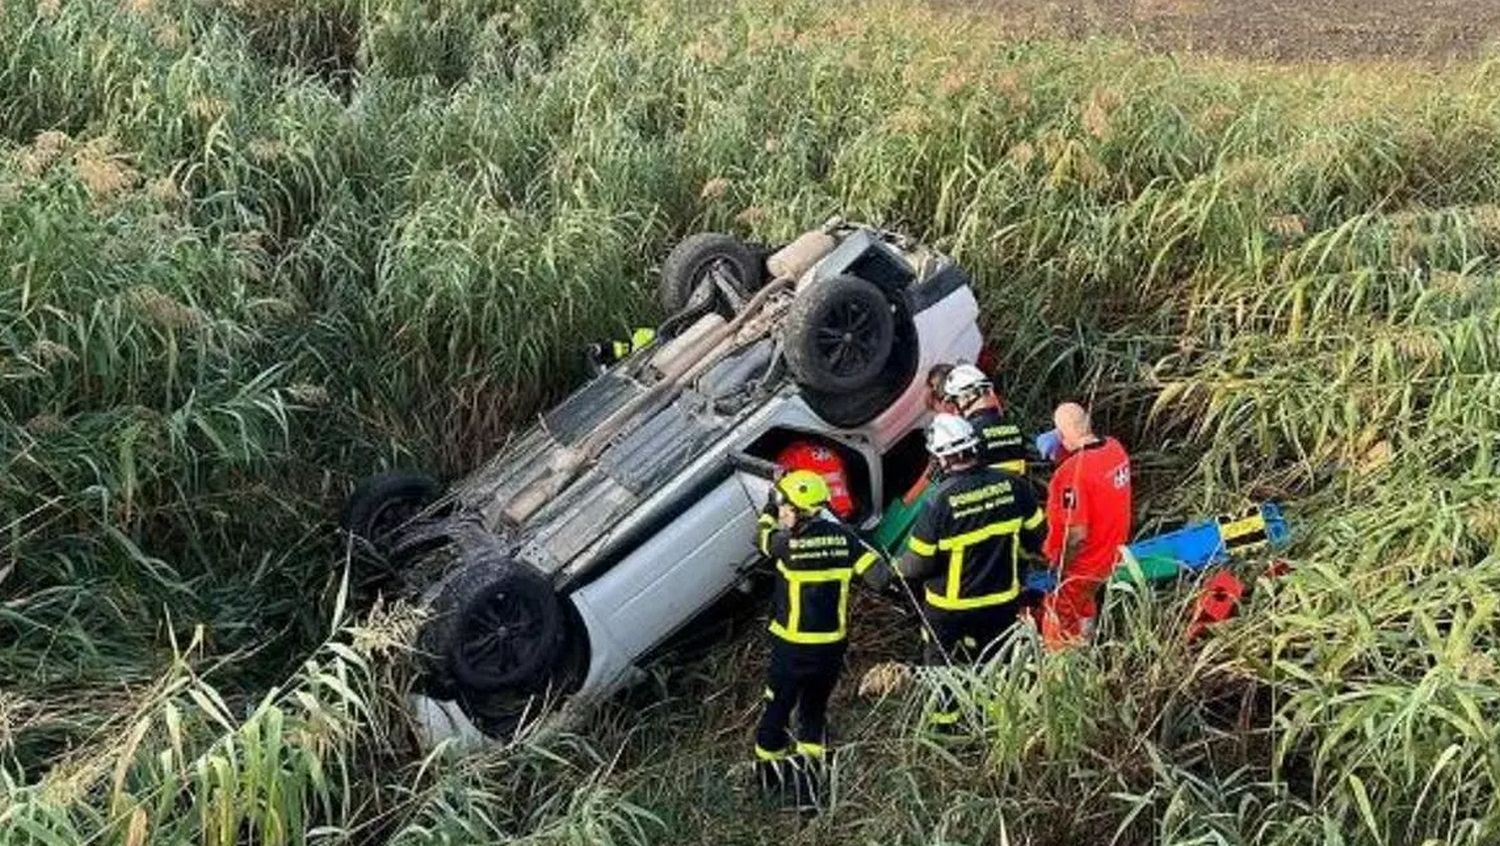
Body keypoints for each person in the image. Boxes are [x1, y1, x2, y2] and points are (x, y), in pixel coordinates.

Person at [863, 414, 1045, 727]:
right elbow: (1037, 538)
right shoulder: (1015, 486)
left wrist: (894, 568)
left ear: (941, 458)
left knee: (941, 669)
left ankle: (946, 725)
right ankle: (996, 721)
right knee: (996, 662)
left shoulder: (938, 503)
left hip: (950, 608)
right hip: (1003, 600)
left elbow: (918, 564)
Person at [753, 470, 880, 798]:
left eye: (785, 506)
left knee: (777, 712)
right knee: (813, 715)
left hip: (791, 649)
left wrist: (769, 506)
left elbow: (762, 536)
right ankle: (808, 794)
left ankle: (769, 785)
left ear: (798, 511)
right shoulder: (845, 540)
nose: (782, 511)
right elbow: (880, 578)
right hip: (830, 650)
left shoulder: (786, 544)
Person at [1040, 402, 1132, 650]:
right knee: (1085, 606)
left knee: (1059, 616)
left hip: (1082, 564)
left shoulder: (1070, 474)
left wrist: (1061, 567)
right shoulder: (1115, 448)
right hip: (1111, 555)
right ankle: (1087, 647)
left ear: (1062, 435)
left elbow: (1077, 536)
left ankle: (1063, 665)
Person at [943, 364, 1029, 476]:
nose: (955, 410)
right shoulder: (1015, 427)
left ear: (966, 398)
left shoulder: (966, 438)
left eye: (956, 401)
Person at [586, 327, 656, 374]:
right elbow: (605, 369)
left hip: (625, 350)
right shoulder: (599, 359)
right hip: (621, 355)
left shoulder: (603, 344)